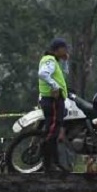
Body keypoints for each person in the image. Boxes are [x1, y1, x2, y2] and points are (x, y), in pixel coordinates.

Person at [37, 39, 70, 173]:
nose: (66, 51)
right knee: (52, 132)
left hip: (55, 100)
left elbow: (64, 74)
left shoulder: (54, 61)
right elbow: (43, 74)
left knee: (54, 132)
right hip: (53, 101)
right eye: (64, 48)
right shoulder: (49, 59)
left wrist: (66, 61)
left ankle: (54, 163)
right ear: (58, 49)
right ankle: (47, 163)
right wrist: (55, 86)